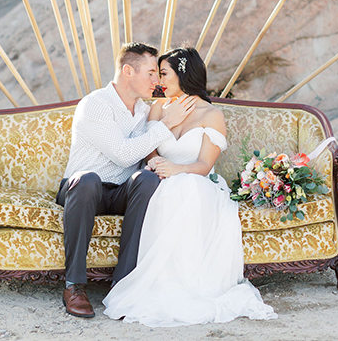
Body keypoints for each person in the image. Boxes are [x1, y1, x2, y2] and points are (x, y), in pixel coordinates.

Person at [103, 47, 277, 327]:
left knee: (185, 189)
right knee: (160, 188)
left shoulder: (211, 115)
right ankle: (154, 281)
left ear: (183, 74)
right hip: (161, 176)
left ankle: (182, 282)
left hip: (197, 181)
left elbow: (204, 165)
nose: (158, 81)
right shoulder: (159, 107)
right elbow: (149, 147)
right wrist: (156, 160)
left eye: (163, 73)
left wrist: (177, 170)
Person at [57, 42, 197, 318]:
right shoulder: (95, 104)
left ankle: (123, 283)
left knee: (147, 180)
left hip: (120, 192)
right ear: (128, 71)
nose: (156, 81)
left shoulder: (146, 111)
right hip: (83, 192)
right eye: (151, 73)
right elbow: (122, 155)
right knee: (87, 180)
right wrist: (165, 125)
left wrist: (156, 161)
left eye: (159, 74)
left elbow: (146, 152)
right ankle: (74, 285)